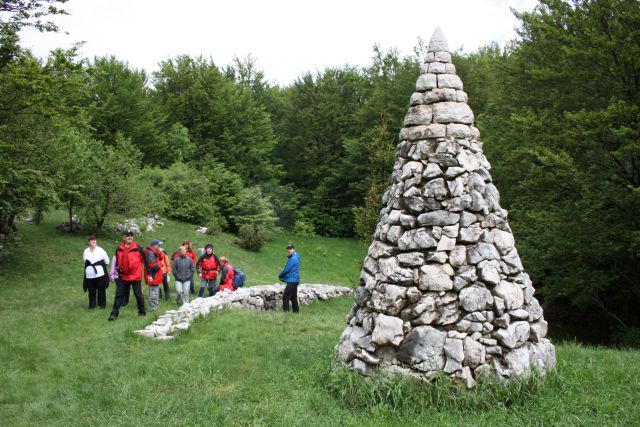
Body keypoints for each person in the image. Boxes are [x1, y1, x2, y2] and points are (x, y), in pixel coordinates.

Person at [108, 230, 147, 321]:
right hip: (123, 276)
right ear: (124, 238)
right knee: (119, 294)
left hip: (135, 276)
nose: (130, 237)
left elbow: (146, 262)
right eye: (128, 235)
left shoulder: (139, 248)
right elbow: (117, 262)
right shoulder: (119, 248)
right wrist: (116, 272)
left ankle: (142, 312)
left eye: (131, 235)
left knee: (138, 294)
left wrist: (148, 274)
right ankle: (114, 314)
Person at [82, 235, 110, 309]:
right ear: (89, 242)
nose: (93, 241)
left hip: (100, 274)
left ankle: (102, 305)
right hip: (89, 274)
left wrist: (100, 267)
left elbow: (107, 261)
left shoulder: (101, 250)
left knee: (101, 289)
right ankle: (92, 305)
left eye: (94, 240)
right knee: (91, 290)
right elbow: (85, 262)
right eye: (91, 240)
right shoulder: (86, 251)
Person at [279, 244, 300, 313]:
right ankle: (296, 313)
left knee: (285, 296)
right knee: (293, 297)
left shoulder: (293, 259)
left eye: (290, 249)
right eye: (288, 249)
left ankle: (286, 313)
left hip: (292, 281)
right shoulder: (295, 257)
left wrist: (280, 275)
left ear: (294, 249)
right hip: (295, 280)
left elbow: (287, 270)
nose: (289, 250)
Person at [144, 239, 165, 311]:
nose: (159, 246)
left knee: (155, 291)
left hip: (155, 276)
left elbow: (161, 258)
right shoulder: (150, 253)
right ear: (154, 245)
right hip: (153, 276)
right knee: (153, 292)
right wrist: (160, 263)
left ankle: (154, 306)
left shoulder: (153, 252)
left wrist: (159, 252)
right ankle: (153, 307)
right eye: (158, 245)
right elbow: (153, 266)